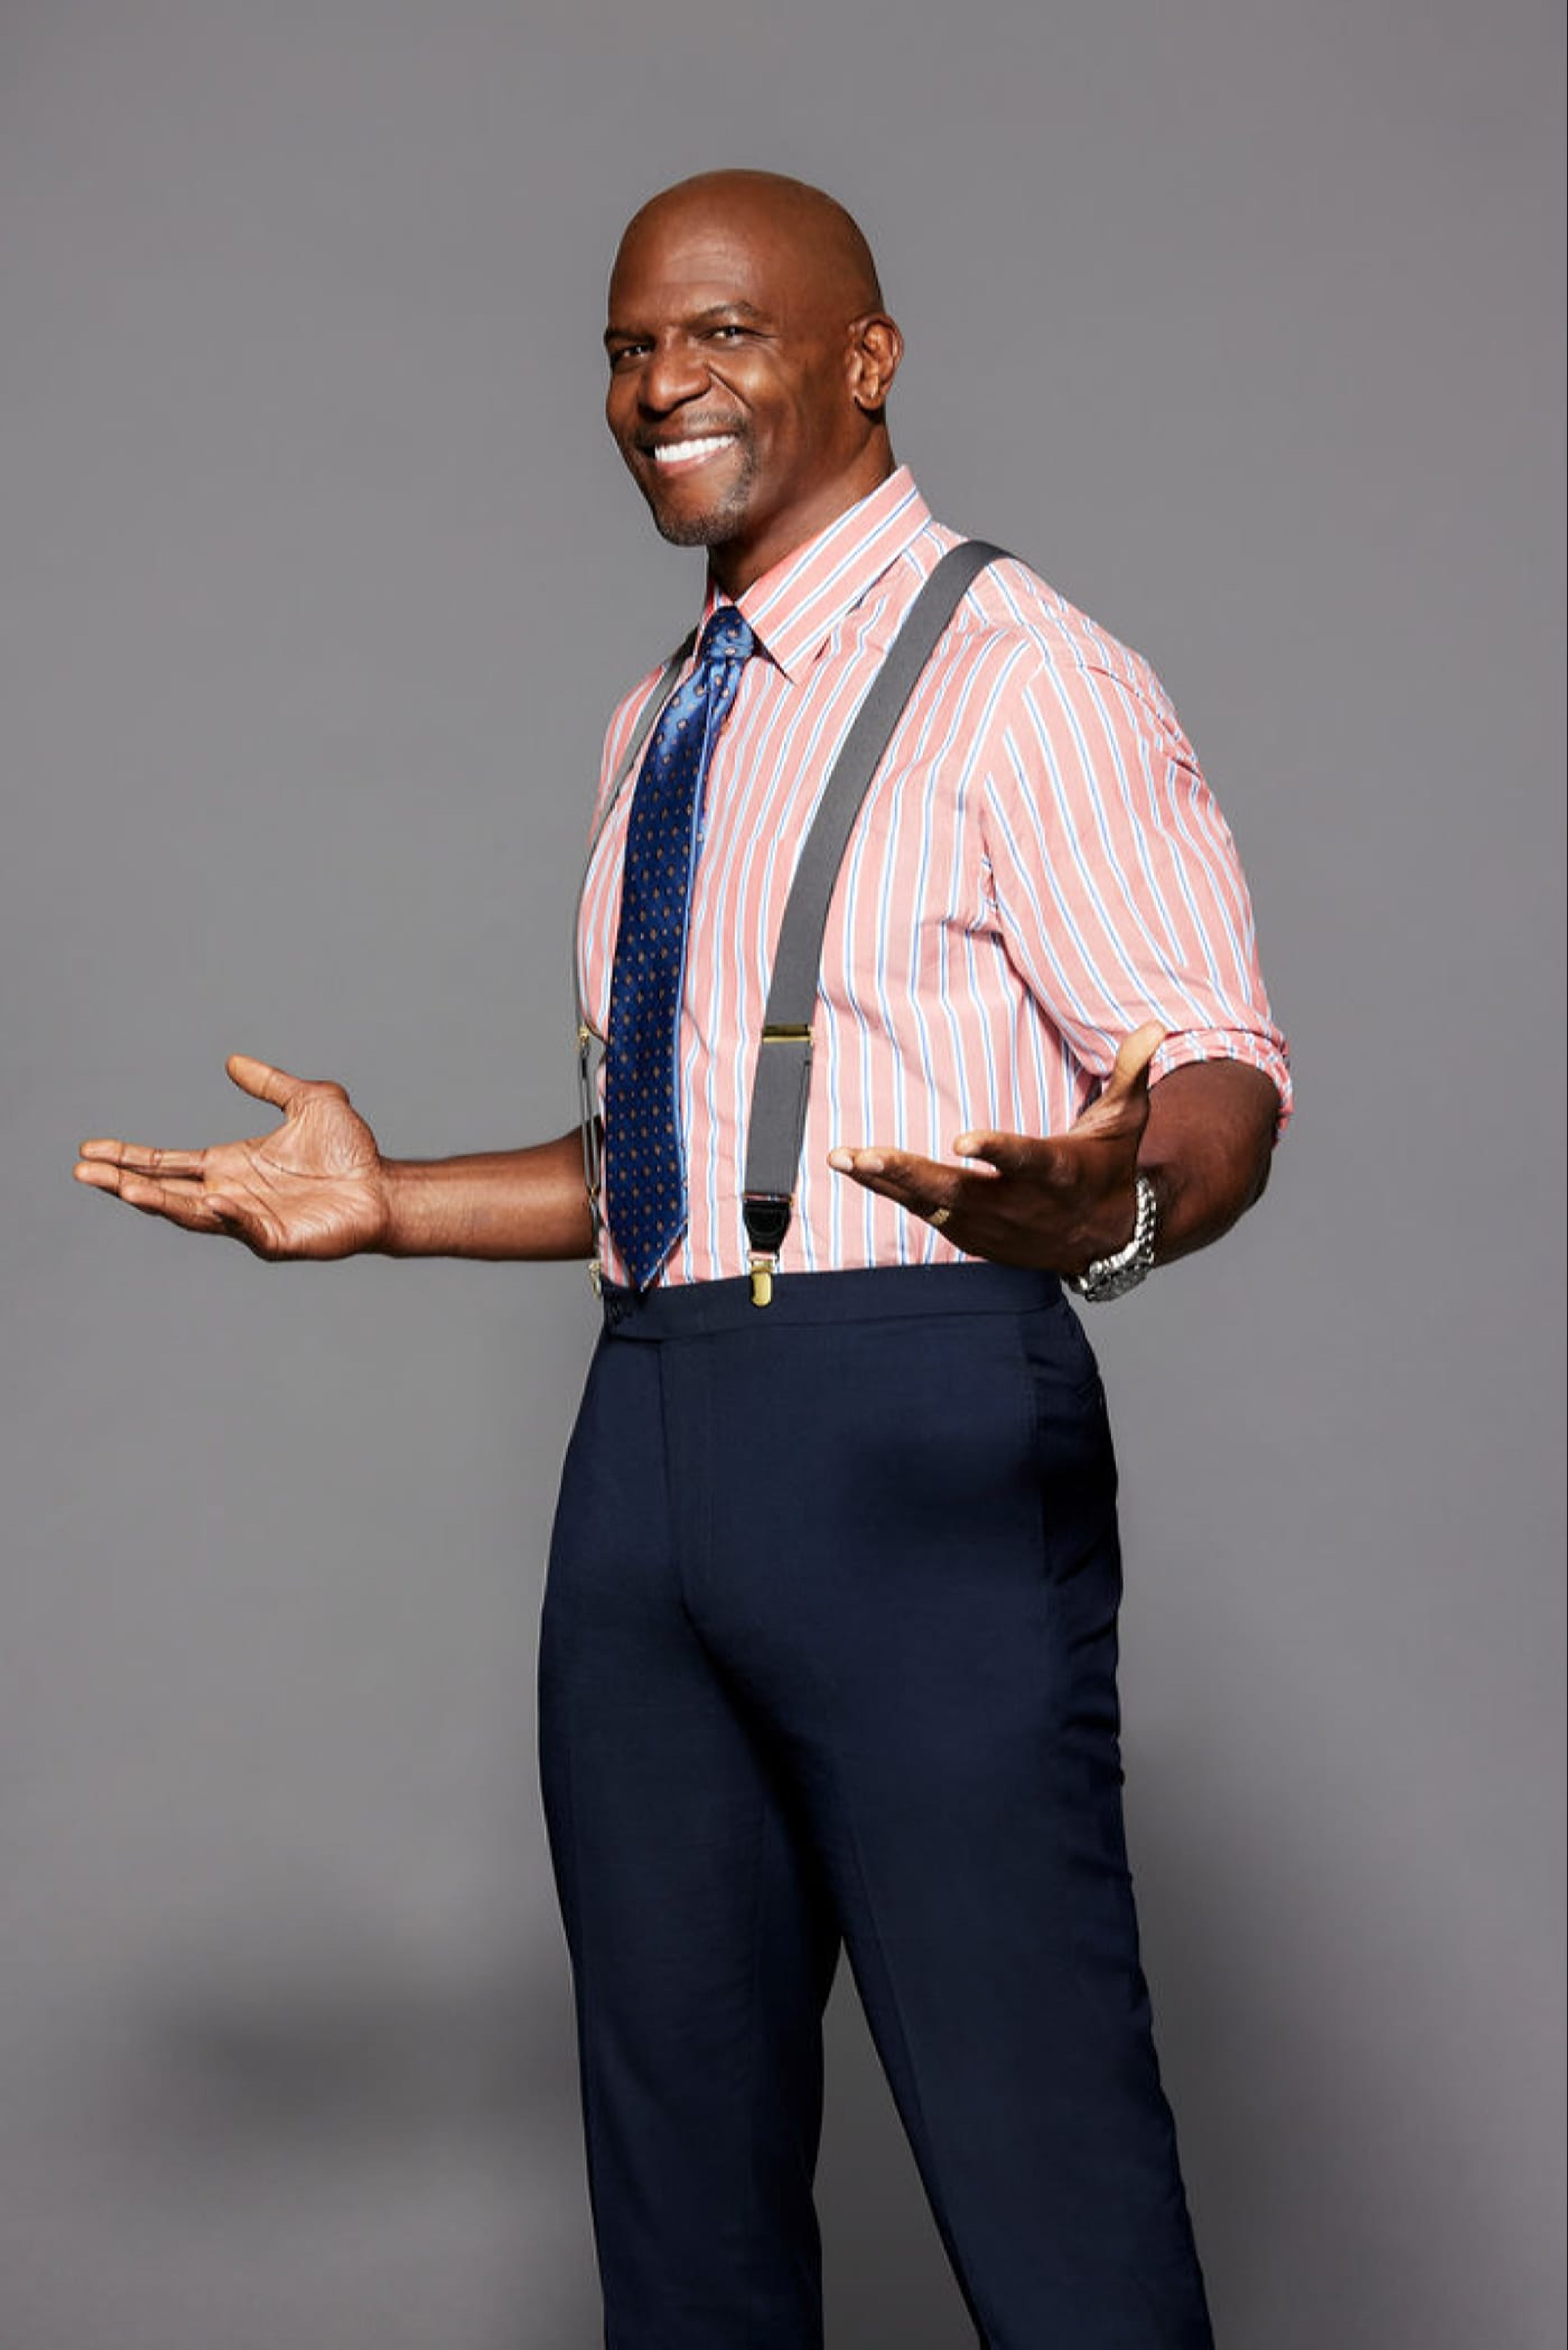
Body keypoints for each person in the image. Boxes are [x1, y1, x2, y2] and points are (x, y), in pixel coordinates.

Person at [76, 169, 1290, 2349]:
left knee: (1040, 2150)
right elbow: (681, 1159)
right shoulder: (662, 717)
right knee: (678, 2167)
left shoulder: (1024, 672)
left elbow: (1215, 1068)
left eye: (722, 333)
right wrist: (391, 1200)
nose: (662, 386)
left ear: (866, 358)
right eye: (632, 348)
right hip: (646, 1430)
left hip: (913, 1422)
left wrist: (1112, 1207)